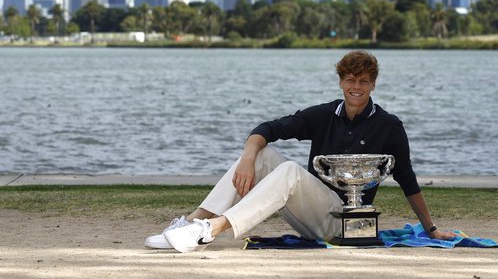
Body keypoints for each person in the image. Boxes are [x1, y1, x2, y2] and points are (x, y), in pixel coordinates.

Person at [145, 50, 454, 253]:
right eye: (350, 80)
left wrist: (432, 229)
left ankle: (211, 229)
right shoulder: (322, 115)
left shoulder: (389, 125)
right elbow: (267, 129)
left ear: (373, 84)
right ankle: (191, 224)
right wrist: (248, 160)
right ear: (340, 82)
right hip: (310, 215)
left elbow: (407, 179)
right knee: (262, 155)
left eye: (363, 81)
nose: (356, 87)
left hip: (343, 222)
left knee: (291, 172)